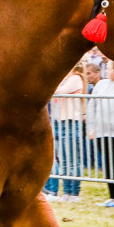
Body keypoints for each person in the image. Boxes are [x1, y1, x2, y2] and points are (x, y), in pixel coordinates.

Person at [87, 63, 114, 206]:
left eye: (109, 69)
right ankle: (112, 195)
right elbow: (91, 105)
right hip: (101, 130)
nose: (106, 71)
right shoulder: (100, 84)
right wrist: (91, 126)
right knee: (108, 163)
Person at [44, 63, 87, 202]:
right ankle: (67, 191)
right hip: (62, 121)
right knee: (65, 159)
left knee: (73, 159)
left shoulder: (76, 78)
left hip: (70, 121)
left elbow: (58, 90)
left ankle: (74, 192)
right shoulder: (68, 79)